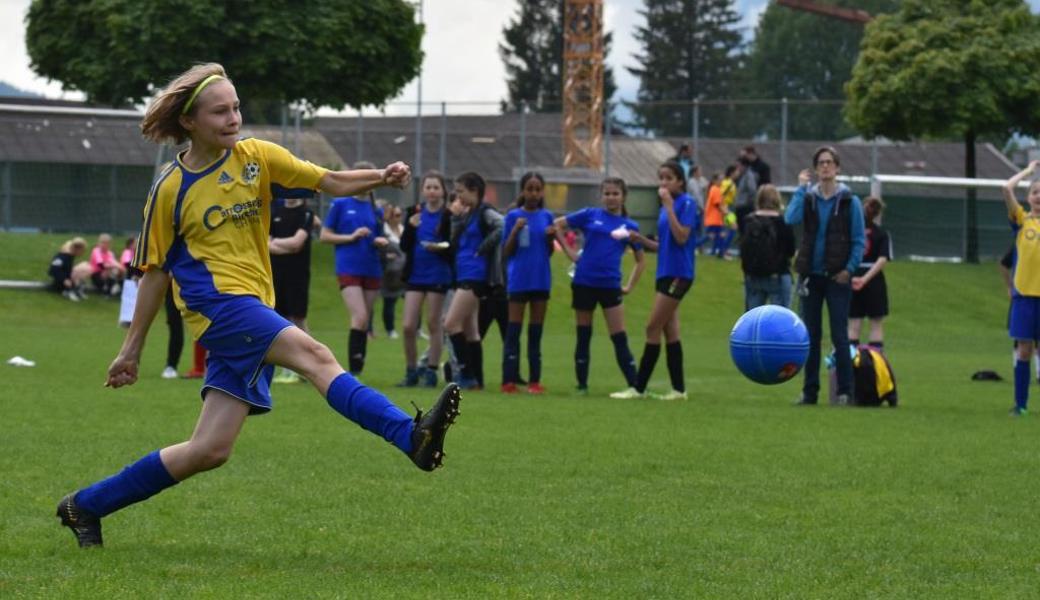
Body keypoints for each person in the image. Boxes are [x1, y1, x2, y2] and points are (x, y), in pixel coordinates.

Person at [56, 63, 461, 549]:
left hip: (252, 305)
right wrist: (131, 348)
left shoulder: (257, 158)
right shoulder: (169, 189)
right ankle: (409, 436)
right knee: (316, 358)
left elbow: (328, 180)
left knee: (210, 449)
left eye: (236, 108)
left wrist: (382, 175)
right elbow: (155, 272)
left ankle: (86, 505)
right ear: (189, 121)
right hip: (217, 308)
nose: (233, 118)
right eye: (220, 111)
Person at [612, 161, 700, 401]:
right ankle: (678, 390)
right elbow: (665, 246)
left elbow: (682, 237)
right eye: (660, 178)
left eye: (668, 178)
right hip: (665, 271)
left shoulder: (687, 203)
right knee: (670, 331)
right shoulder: (664, 208)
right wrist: (639, 239)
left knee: (652, 327)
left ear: (680, 181)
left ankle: (638, 387)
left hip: (679, 273)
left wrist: (670, 208)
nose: (663, 183)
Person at [785, 147, 865, 407]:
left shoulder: (849, 202)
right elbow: (790, 217)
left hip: (837, 277)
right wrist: (800, 188)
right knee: (811, 335)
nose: (826, 167)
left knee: (840, 336)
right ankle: (810, 392)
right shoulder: (808, 199)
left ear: (838, 168)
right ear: (815, 169)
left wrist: (849, 269)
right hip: (812, 275)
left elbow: (858, 240)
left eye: (830, 163)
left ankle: (845, 391)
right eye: (821, 163)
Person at [554, 177, 645, 395]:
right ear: (601, 195)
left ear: (623, 196)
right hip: (584, 282)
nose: (611, 197)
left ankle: (635, 385)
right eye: (607, 193)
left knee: (619, 336)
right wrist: (570, 252)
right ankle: (582, 385)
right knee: (583, 334)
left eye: (615, 193)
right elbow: (557, 225)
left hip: (610, 285)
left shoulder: (630, 227)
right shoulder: (589, 215)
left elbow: (641, 261)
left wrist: (629, 286)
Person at [320, 161, 388, 375]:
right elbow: (324, 235)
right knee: (359, 317)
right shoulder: (341, 204)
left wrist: (380, 241)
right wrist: (350, 236)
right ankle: (353, 372)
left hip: (371, 267)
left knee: (365, 319)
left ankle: (358, 367)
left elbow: (380, 235)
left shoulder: (376, 210)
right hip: (348, 266)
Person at [443, 171, 503, 390]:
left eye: (461, 191)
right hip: (464, 272)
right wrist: (456, 218)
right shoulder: (468, 214)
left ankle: (466, 374)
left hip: (474, 275)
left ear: (474, 191)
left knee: (450, 324)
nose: (458, 197)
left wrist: (482, 248)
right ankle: (477, 379)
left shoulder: (485, 212)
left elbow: (501, 225)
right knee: (471, 330)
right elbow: (453, 240)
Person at [500, 172, 555, 394]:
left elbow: (548, 251)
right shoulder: (513, 216)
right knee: (513, 331)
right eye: (529, 188)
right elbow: (506, 251)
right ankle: (508, 380)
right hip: (519, 280)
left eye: (537, 189)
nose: (533, 193)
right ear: (522, 191)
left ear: (542, 191)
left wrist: (551, 237)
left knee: (535, 332)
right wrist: (515, 231)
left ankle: (534, 381)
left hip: (540, 279)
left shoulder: (547, 216)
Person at [398, 171, 453, 388]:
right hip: (415, 275)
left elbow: (451, 247)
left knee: (433, 323)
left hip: (438, 275)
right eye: (428, 187)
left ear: (443, 191)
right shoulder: (415, 212)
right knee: (408, 325)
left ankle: (431, 370)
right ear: (423, 191)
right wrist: (410, 227)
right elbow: (404, 245)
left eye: (436, 187)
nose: (432, 191)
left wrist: (439, 248)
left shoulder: (448, 215)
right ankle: (411, 370)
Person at [1001, 159, 1040, 416]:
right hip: (1025, 298)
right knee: (1024, 350)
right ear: (1028, 197)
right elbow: (1006, 188)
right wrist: (1028, 171)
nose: (1039, 197)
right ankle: (1021, 405)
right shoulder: (1022, 220)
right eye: (1036, 192)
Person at [268, 195, 320, 384]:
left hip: (297, 274)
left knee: (298, 319)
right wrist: (283, 246)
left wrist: (277, 244)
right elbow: (266, 243)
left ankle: (310, 366)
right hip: (276, 273)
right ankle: (288, 369)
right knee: (280, 321)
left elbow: (297, 243)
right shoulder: (275, 212)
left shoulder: (305, 214)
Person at [740, 184, 796, 309]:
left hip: (753, 276)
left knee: (753, 320)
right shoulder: (783, 222)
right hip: (778, 275)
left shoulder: (748, 221)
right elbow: (791, 251)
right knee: (780, 321)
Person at [848, 196, 892, 351]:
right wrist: (865, 279)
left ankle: (851, 365)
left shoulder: (850, 232)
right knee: (876, 325)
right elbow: (882, 259)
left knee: (853, 326)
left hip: (853, 277)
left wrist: (853, 276)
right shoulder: (881, 233)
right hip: (874, 281)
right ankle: (875, 366)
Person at [379, 202, 406, 340]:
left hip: (405, 272)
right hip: (390, 273)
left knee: (412, 300)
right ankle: (390, 330)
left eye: (400, 215)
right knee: (389, 301)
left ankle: (417, 328)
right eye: (395, 215)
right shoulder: (384, 232)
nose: (398, 218)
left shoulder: (404, 230)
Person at [48, 237, 90, 301]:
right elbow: (53, 270)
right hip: (60, 281)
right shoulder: (62, 256)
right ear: (76, 249)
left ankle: (77, 291)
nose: (83, 253)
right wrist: (64, 279)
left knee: (83, 269)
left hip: (67, 277)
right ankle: (68, 291)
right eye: (82, 250)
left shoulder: (71, 256)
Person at [118, 237, 139, 327]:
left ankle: (132, 320)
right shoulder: (127, 252)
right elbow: (127, 264)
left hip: (134, 279)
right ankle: (126, 320)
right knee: (129, 300)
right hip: (129, 280)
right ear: (130, 244)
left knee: (135, 300)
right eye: (135, 243)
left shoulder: (136, 253)